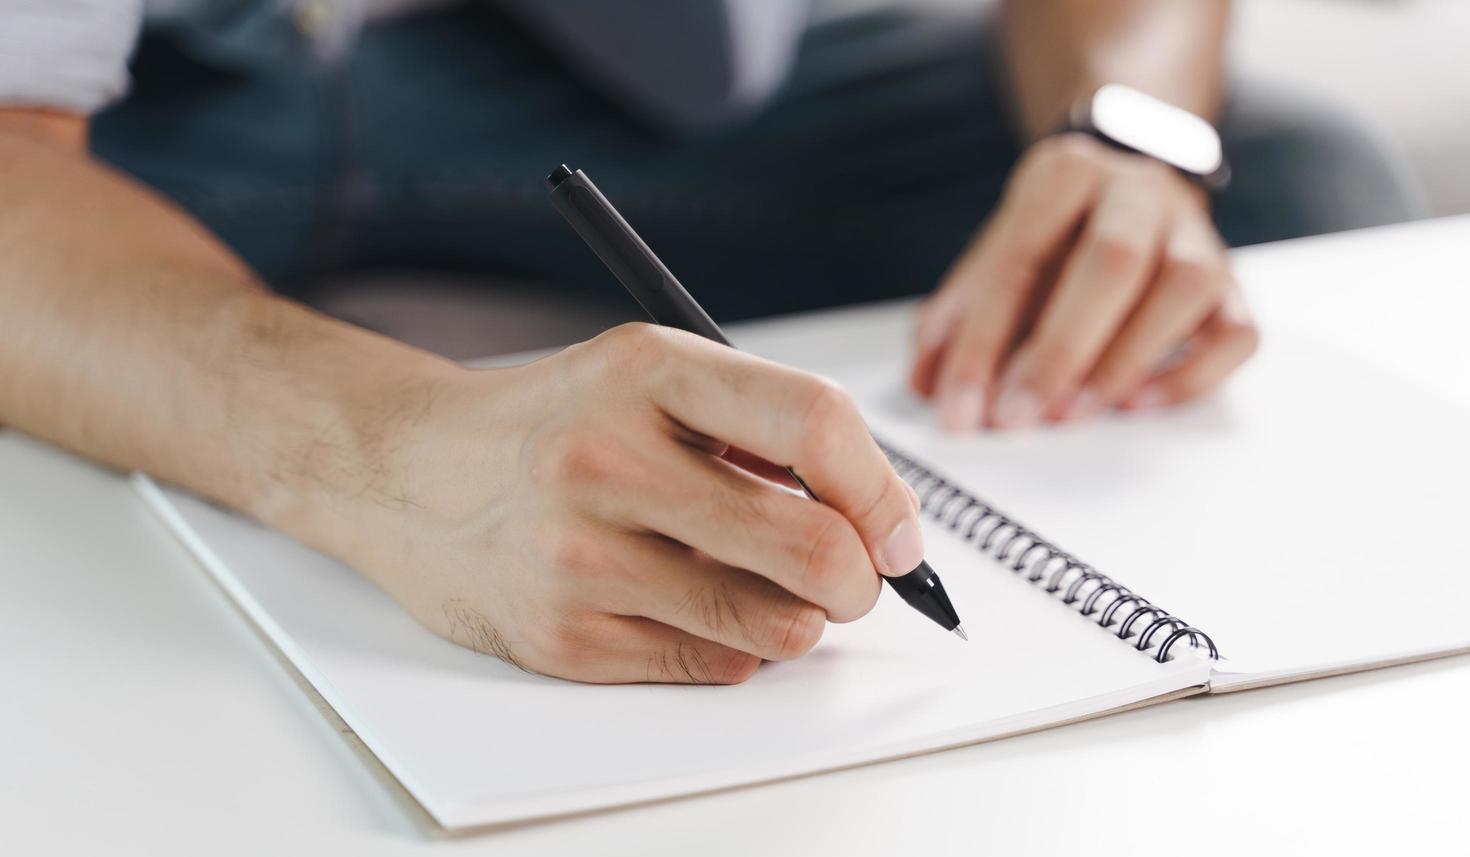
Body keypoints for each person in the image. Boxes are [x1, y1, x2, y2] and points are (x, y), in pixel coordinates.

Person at [0, 1, 1416, 684]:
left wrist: (1124, 134)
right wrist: (387, 449)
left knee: (1294, 178)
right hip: (141, 102)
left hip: (590, 60)